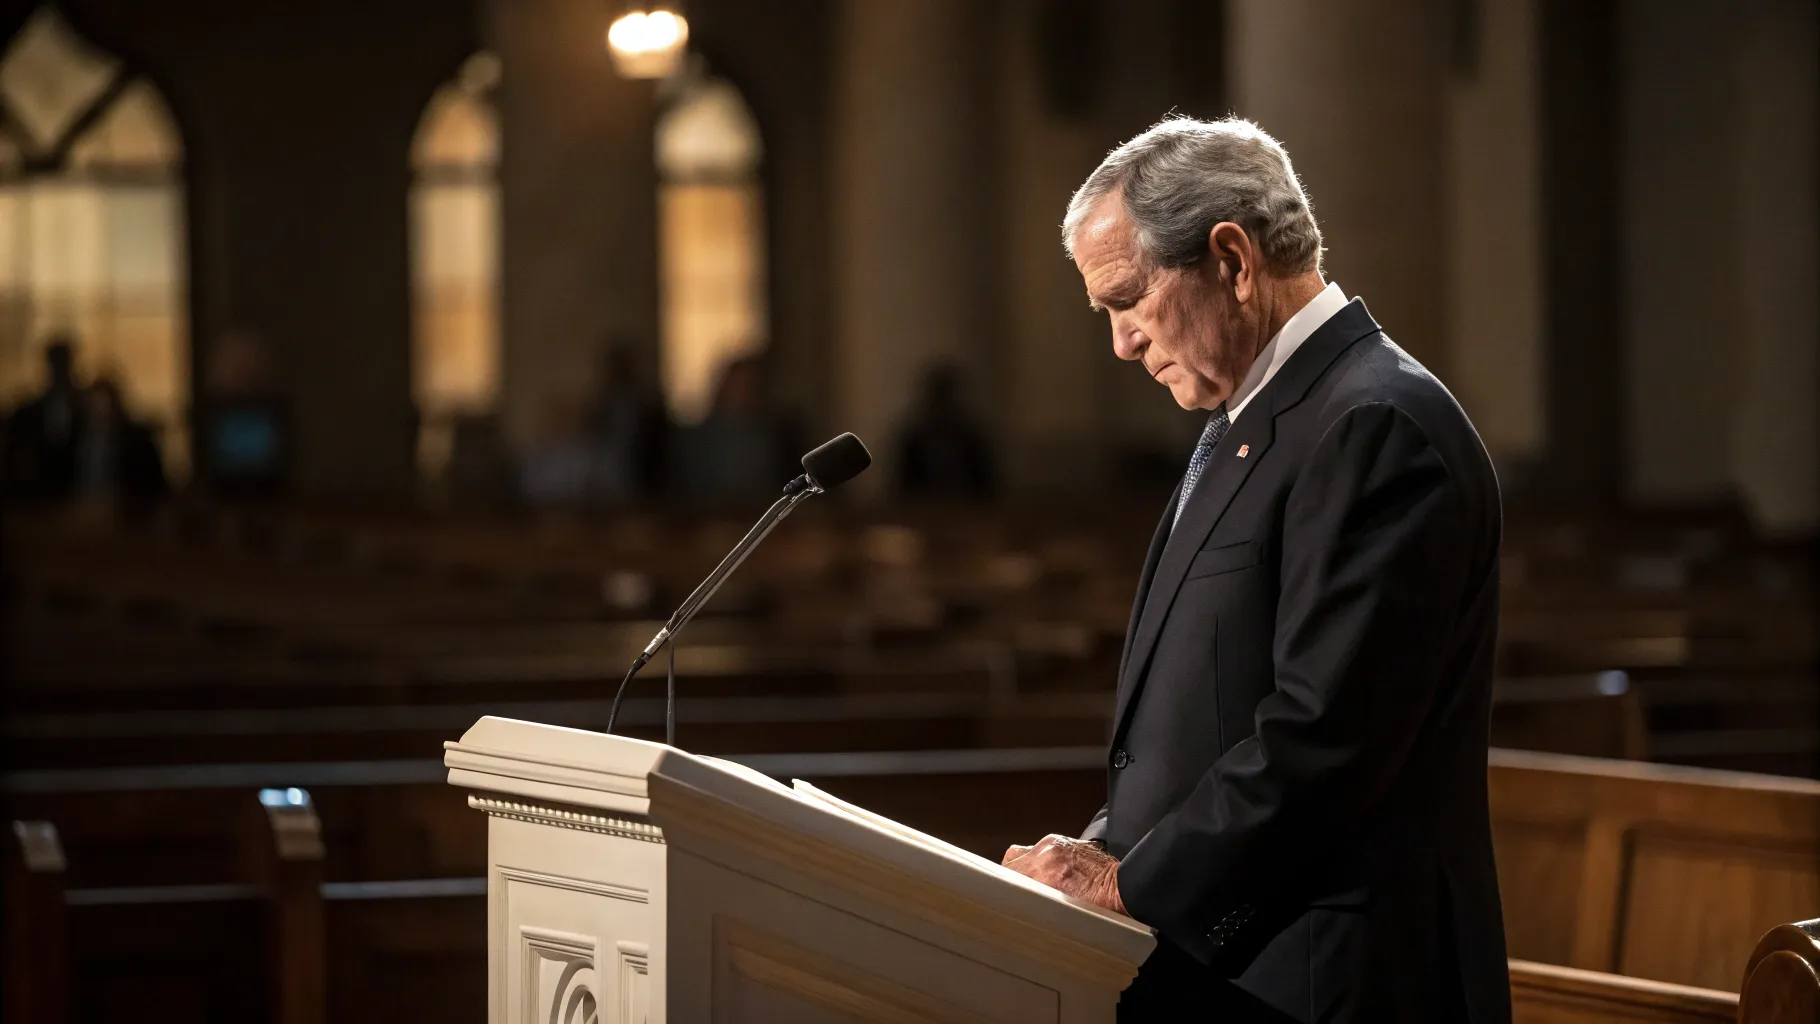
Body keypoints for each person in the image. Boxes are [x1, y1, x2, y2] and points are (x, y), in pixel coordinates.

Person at [999, 117, 1510, 1022]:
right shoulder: (1261, 421)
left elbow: (1323, 737)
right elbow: (1208, 712)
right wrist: (1102, 848)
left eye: (1128, 300)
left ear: (1232, 260)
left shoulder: (1374, 424)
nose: (1121, 343)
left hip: (1329, 981)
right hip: (1242, 961)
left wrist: (1127, 883)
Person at [894, 363, 996, 499]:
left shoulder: (971, 440)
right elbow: (903, 489)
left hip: (965, 507)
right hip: (923, 507)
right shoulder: (914, 441)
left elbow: (987, 487)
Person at [4, 337, 84, 502]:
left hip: (79, 498)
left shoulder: (86, 408)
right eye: (57, 364)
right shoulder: (28, 411)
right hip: (37, 499)